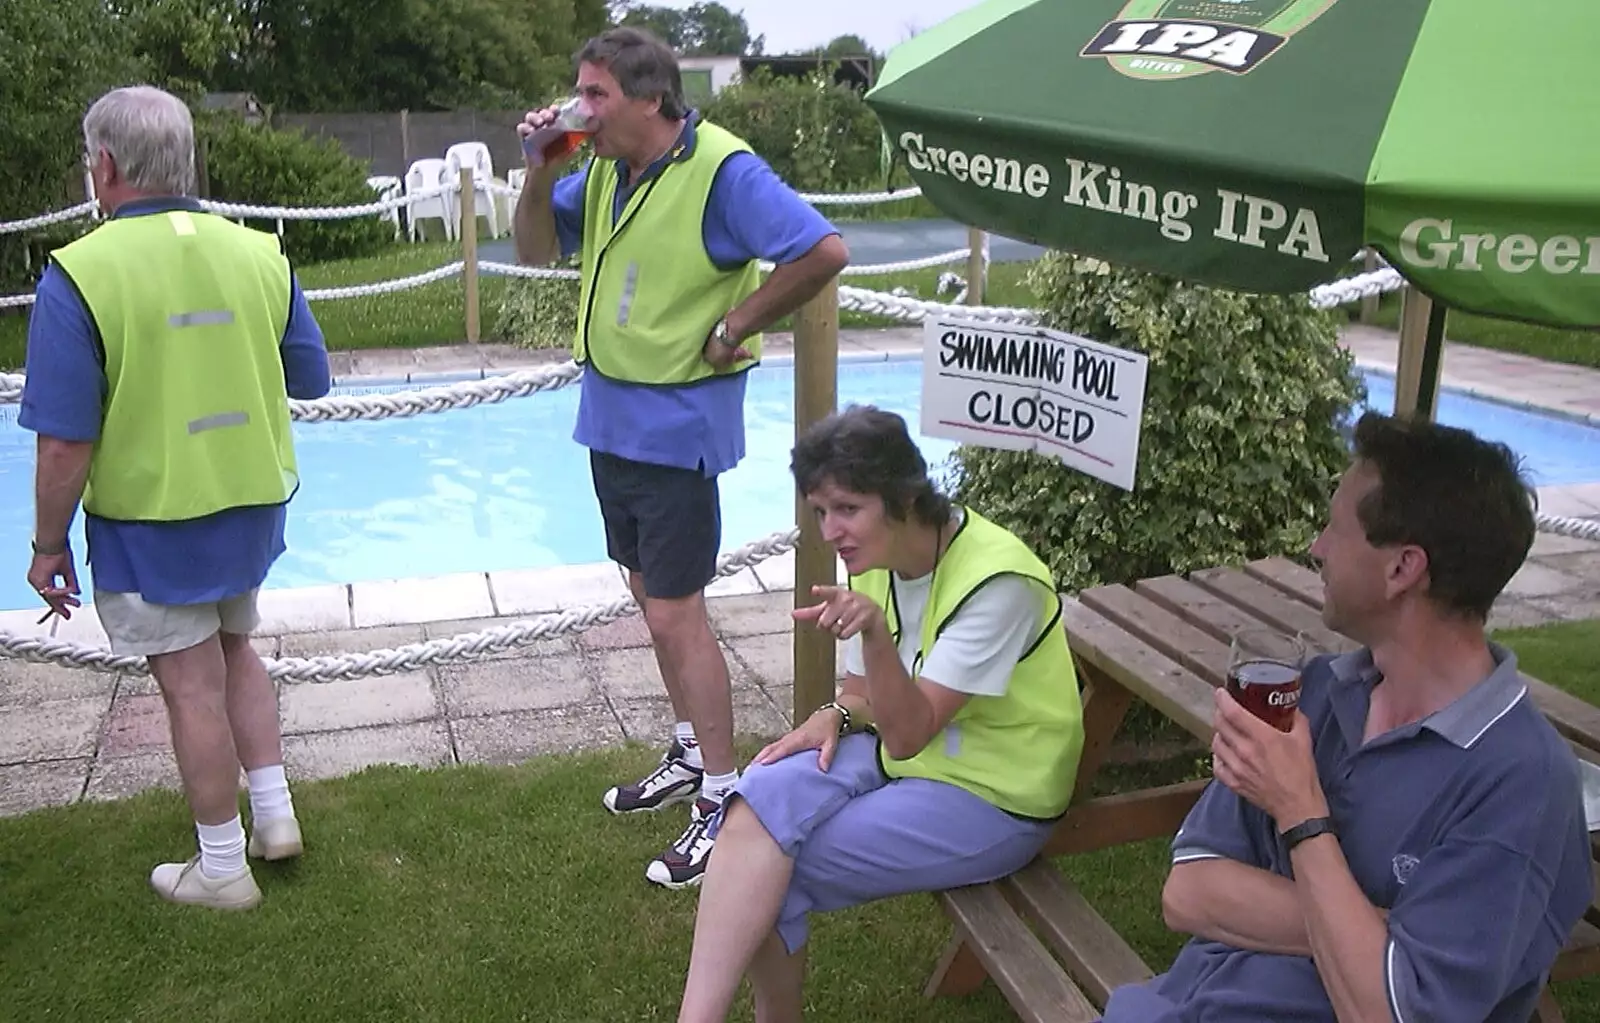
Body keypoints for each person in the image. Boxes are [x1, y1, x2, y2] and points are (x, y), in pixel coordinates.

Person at [1101, 412, 1594, 1022]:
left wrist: (1300, 812)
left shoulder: (1521, 782)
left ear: (1401, 570)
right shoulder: (1319, 693)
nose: (1317, 548)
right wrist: (1374, 931)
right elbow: (1189, 892)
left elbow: (1384, 1010)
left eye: (1336, 530)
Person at [512, 27, 851, 888]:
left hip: (677, 433)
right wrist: (539, 169)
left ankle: (724, 798)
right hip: (611, 423)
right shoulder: (598, 173)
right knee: (646, 597)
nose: (579, 108)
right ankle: (692, 753)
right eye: (578, 91)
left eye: (595, 96)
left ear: (651, 100)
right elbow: (531, 251)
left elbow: (822, 250)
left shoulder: (722, 171)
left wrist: (739, 324)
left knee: (674, 615)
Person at [19, 85, 332, 910]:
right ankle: (275, 817)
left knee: (190, 683)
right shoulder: (260, 252)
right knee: (235, 654)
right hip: (251, 502)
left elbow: (64, 443)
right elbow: (311, 378)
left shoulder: (79, 275)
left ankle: (223, 867)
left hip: (153, 520)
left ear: (107, 167)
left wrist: (48, 544)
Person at [674, 405, 1087, 1022]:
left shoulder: (1000, 582)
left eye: (846, 508)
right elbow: (865, 697)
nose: (830, 530)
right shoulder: (876, 560)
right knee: (756, 800)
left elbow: (909, 731)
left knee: (771, 869)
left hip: (997, 794)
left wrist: (874, 639)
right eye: (820, 512)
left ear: (902, 497)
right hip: (912, 758)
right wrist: (833, 715)